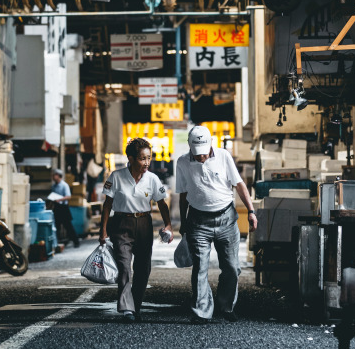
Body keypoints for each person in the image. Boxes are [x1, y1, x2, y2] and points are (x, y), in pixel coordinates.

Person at [176, 125, 257, 324]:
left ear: (210, 144)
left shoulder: (223, 156)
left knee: (231, 267)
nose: (201, 158)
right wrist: (183, 221)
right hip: (198, 222)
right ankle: (201, 312)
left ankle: (226, 306)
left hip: (227, 220)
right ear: (189, 147)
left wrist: (251, 211)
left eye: (203, 154)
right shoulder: (182, 162)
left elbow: (239, 184)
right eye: (197, 155)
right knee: (200, 268)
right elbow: (183, 194)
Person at [99, 137, 173, 322]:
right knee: (124, 266)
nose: (147, 162)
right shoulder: (116, 177)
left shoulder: (153, 179)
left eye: (149, 158)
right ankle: (127, 309)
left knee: (143, 268)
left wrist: (168, 225)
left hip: (144, 225)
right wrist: (103, 231)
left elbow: (162, 204)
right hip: (121, 225)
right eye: (142, 158)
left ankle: (136, 306)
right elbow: (107, 205)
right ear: (131, 159)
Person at [50, 169, 80, 248]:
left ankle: (76, 241)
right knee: (56, 226)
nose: (53, 177)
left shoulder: (64, 185)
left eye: (54, 175)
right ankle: (57, 243)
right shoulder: (54, 186)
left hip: (63, 207)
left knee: (68, 226)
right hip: (57, 207)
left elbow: (68, 196)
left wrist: (59, 199)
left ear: (58, 175)